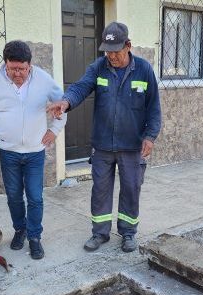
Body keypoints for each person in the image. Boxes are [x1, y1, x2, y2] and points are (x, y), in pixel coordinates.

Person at [48, 22, 161, 253]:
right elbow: (80, 87)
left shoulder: (144, 70)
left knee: (131, 188)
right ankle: (100, 233)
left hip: (132, 145)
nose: (111, 56)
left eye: (115, 50)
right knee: (100, 189)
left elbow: (154, 108)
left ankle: (128, 233)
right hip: (102, 145)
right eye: (107, 51)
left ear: (128, 46)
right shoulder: (98, 67)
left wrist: (150, 136)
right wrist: (65, 102)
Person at [0, 40, 66, 260]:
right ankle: (20, 229)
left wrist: (54, 130)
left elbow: (63, 105)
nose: (17, 73)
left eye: (22, 69)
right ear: (5, 63)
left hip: (35, 152)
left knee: (35, 197)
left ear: (30, 65)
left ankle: (34, 237)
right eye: (12, 68)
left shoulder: (44, 80)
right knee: (14, 197)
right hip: (8, 152)